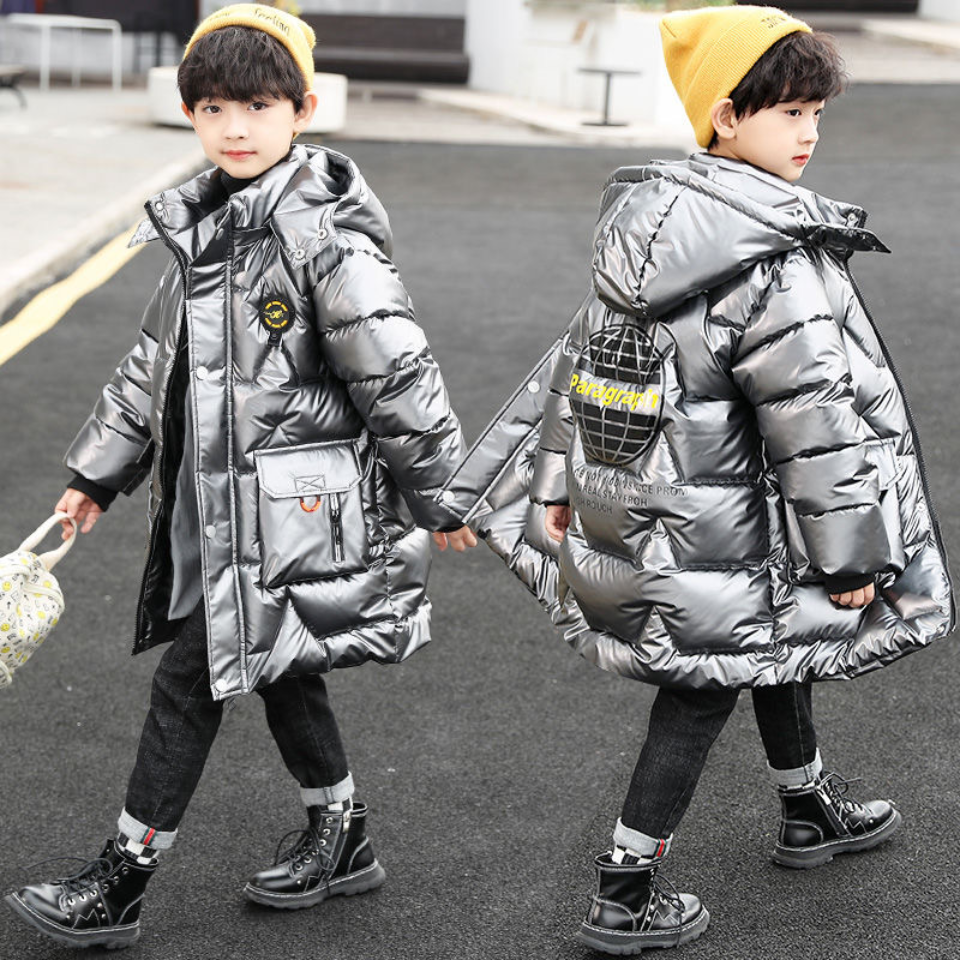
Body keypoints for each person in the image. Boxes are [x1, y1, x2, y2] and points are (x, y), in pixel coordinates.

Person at [439, 5, 953, 954]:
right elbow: (816, 429)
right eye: (789, 112)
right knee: (705, 686)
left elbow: (581, 369)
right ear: (724, 114)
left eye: (815, 114)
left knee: (767, 643)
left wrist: (554, 484)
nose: (808, 133)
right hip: (733, 527)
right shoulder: (774, 259)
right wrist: (853, 555)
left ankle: (806, 808)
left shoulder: (645, 228)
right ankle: (625, 886)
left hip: (664, 519)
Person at [4, 4, 476, 950]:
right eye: (212, 107)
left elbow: (395, 375)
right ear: (190, 115)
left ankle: (123, 878)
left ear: (303, 108)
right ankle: (341, 832)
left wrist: (446, 492)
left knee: (195, 678)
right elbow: (154, 365)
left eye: (256, 106)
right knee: (280, 669)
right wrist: (98, 474)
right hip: (217, 509)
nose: (234, 127)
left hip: (288, 517)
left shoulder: (323, 237)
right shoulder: (205, 226)